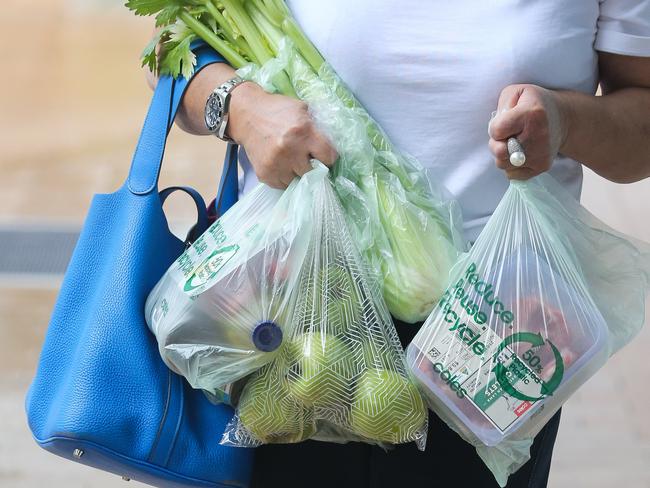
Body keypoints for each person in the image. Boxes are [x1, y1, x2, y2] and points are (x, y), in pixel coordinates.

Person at [149, 1, 650, 486]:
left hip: (492, 333)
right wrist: (241, 108)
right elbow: (166, 50)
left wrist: (565, 122)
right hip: (290, 316)